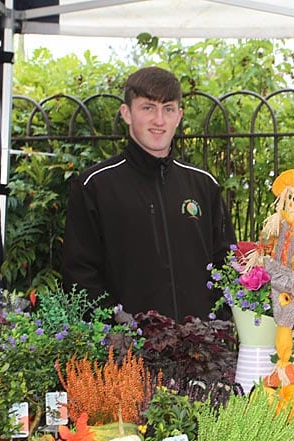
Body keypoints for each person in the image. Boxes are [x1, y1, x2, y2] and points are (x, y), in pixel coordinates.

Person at [61, 66, 235, 322]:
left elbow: (227, 265)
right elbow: (79, 273)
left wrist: (217, 321)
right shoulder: (95, 186)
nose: (159, 120)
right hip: (128, 352)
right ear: (126, 113)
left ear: (179, 115)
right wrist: (117, 322)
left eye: (168, 109)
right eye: (147, 108)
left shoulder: (203, 185)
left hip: (201, 350)